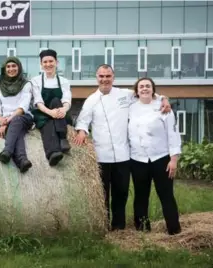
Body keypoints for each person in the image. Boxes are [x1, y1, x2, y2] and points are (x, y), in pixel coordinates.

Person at [73, 65, 171, 231]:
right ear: (96, 78)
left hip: (123, 155)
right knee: (102, 195)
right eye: (101, 76)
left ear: (113, 77)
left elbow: (146, 93)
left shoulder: (125, 95)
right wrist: (82, 131)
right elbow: (83, 121)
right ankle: (103, 225)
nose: (105, 79)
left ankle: (119, 227)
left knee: (121, 193)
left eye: (108, 76)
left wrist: (164, 98)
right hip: (101, 156)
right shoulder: (91, 100)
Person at [128, 77, 182, 235]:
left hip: (161, 159)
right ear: (136, 91)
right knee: (140, 196)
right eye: (141, 86)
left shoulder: (164, 108)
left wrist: (173, 160)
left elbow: (173, 134)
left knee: (166, 195)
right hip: (138, 159)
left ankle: (174, 229)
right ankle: (142, 229)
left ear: (153, 90)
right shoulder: (130, 107)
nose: (144, 89)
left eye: (148, 86)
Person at [0, 56, 34, 173]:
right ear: (4, 69)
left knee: (17, 121)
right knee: (16, 132)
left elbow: (23, 107)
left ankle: (8, 151)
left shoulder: (26, 84)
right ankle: (22, 160)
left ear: (19, 67)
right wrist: (1, 120)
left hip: (23, 117)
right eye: (8, 66)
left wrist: (6, 122)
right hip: (4, 120)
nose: (11, 69)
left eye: (14, 66)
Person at [31, 49, 72, 166]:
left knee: (56, 100)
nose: (48, 64)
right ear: (41, 64)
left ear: (56, 62)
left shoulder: (64, 81)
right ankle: (53, 153)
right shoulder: (35, 81)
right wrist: (50, 112)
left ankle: (63, 138)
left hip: (60, 113)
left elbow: (67, 99)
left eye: (51, 61)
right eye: (45, 62)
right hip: (43, 113)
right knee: (47, 123)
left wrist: (63, 109)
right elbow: (38, 102)